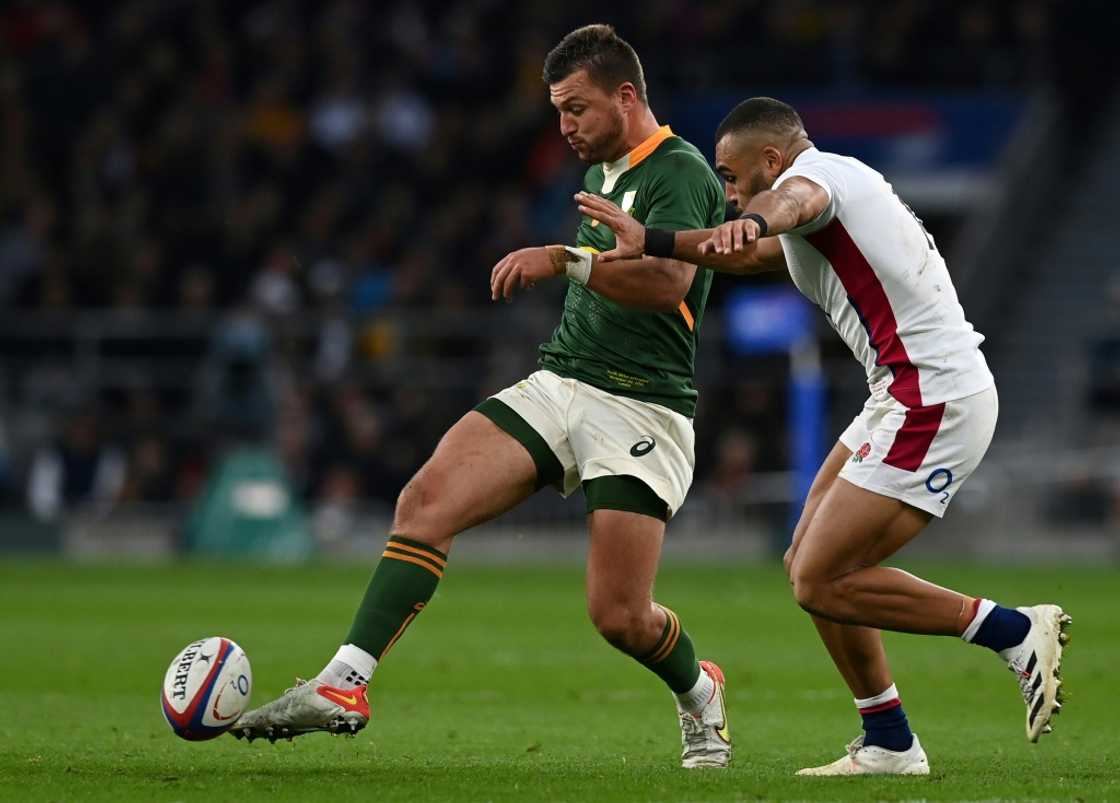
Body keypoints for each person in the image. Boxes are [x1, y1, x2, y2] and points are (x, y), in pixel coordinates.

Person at [232, 24, 733, 769]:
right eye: (558, 110)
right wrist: (580, 266)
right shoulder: (601, 171)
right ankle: (344, 682)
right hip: (563, 378)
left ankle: (699, 690)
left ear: (626, 98)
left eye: (577, 108)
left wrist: (566, 260)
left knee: (620, 615)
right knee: (425, 500)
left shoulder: (681, 170)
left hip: (643, 404)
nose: (564, 126)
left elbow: (671, 286)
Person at [575, 96, 1070, 776]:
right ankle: (889, 739)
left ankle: (1014, 630)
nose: (726, 190)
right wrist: (656, 242)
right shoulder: (835, 193)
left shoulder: (816, 180)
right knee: (805, 565)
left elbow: (788, 206)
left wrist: (748, 216)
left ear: (771, 161)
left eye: (730, 174)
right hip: (900, 396)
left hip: (933, 398)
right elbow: (755, 254)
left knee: (821, 578)